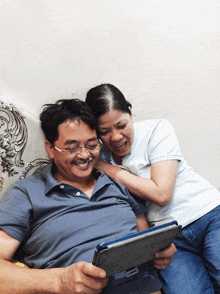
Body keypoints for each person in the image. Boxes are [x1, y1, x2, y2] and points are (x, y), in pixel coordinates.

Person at [0, 99, 176, 294]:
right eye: (72, 148)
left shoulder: (118, 183)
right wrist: (59, 281)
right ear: (50, 149)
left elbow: (144, 238)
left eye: (91, 145)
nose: (84, 155)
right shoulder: (27, 193)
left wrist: (159, 253)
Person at [85, 83, 220, 294]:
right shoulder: (97, 154)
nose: (116, 137)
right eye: (105, 131)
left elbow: (161, 194)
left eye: (121, 125)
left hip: (209, 214)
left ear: (130, 114)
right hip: (169, 238)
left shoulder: (156, 129)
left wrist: (109, 169)